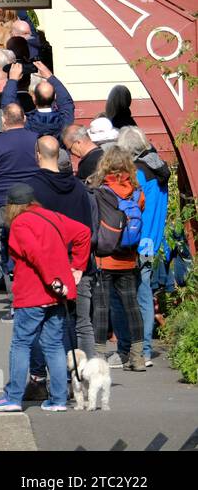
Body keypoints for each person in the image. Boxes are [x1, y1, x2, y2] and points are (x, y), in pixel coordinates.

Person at [0, 183, 89, 413]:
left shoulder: (19, 224)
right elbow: (83, 232)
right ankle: (59, 399)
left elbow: (36, 253)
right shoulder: (53, 217)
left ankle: (13, 397)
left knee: (20, 343)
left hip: (34, 292)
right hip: (58, 294)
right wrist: (77, 268)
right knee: (53, 344)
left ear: (11, 206)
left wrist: (53, 280)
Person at [28, 134, 96, 355]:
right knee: (81, 322)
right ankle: (85, 375)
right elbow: (87, 227)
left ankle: (54, 378)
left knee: (48, 322)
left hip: (47, 265)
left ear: (38, 155)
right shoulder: (78, 187)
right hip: (79, 262)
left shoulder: (32, 189)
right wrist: (79, 265)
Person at [87, 147, 147, 371]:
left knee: (101, 307)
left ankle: (100, 356)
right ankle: (138, 357)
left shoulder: (99, 190)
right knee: (132, 306)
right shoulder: (137, 191)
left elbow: (94, 220)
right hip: (129, 256)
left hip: (105, 256)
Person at [116, 126, 169, 367]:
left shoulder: (138, 173)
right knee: (145, 294)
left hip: (138, 239)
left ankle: (140, 348)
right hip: (154, 238)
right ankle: (145, 349)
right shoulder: (157, 167)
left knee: (137, 295)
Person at [0, 102, 40, 291]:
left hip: (2, 202)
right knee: (32, 249)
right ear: (25, 119)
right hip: (33, 202)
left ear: (3, 120)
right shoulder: (37, 140)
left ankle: (16, 299)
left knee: (7, 251)